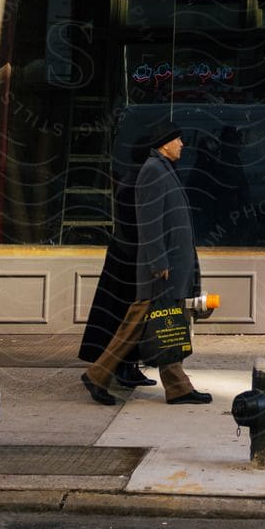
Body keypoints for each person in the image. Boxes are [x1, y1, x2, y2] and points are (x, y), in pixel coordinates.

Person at [80, 119, 213, 407]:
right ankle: (97, 373)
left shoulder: (163, 169)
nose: (182, 144)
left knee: (168, 325)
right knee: (134, 327)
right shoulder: (153, 171)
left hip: (170, 269)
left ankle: (178, 387)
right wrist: (158, 261)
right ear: (165, 143)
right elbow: (149, 223)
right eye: (177, 139)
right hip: (161, 272)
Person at [77, 105, 157, 392]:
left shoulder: (133, 179)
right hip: (129, 260)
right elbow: (138, 225)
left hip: (124, 257)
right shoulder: (138, 181)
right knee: (125, 316)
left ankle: (126, 365)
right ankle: (121, 366)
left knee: (123, 315)